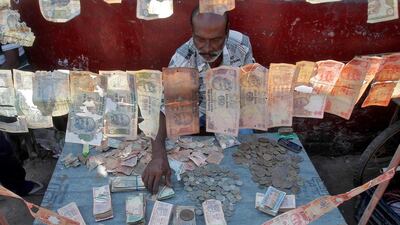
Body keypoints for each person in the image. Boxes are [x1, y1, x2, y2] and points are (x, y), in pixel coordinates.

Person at [142, 6, 255, 194]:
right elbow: (162, 108)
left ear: (226, 33)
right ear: (192, 33)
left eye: (216, 40)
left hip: (230, 108)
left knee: (247, 151)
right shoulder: (182, 59)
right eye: (200, 40)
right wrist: (157, 156)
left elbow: (249, 79)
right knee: (181, 159)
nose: (207, 48)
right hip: (194, 111)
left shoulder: (241, 45)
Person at [0, 43, 43, 196]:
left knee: (3, 150)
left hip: (8, 82)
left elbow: (13, 61)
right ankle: (17, 185)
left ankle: (18, 186)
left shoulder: (3, 21)